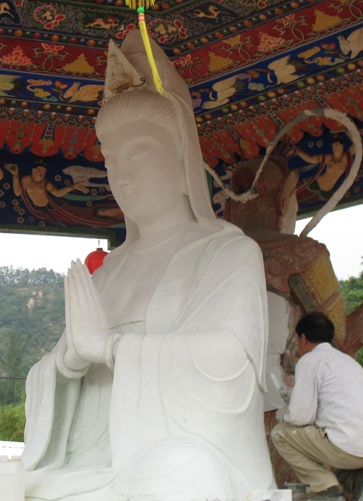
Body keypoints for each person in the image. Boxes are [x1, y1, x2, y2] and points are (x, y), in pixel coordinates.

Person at [21, 29, 275, 501]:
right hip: (90, 461)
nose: (122, 175)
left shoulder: (227, 253)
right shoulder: (106, 273)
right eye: (111, 160)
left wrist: (112, 348)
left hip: (175, 458)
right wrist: (70, 361)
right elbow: (54, 371)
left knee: (181, 478)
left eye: (138, 153)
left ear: (182, 159)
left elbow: (232, 364)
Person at [272, 312, 363, 500]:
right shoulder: (348, 362)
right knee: (331, 435)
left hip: (347, 450)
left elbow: (300, 418)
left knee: (281, 432)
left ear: (303, 338)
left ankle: (324, 487)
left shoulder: (309, 361)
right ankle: (352, 481)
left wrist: (283, 414)